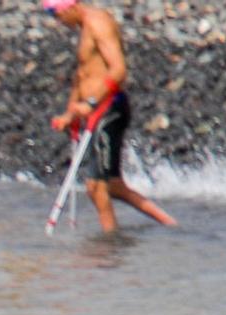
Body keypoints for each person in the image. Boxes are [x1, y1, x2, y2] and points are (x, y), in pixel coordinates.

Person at [44, 0, 176, 232]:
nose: (58, 22)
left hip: (108, 109)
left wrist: (92, 102)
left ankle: (109, 244)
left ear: (69, 7)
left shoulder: (99, 22)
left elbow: (119, 69)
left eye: (56, 15)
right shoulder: (84, 27)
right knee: (113, 186)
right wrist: (70, 113)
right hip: (93, 110)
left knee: (96, 186)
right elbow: (82, 74)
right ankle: (171, 225)